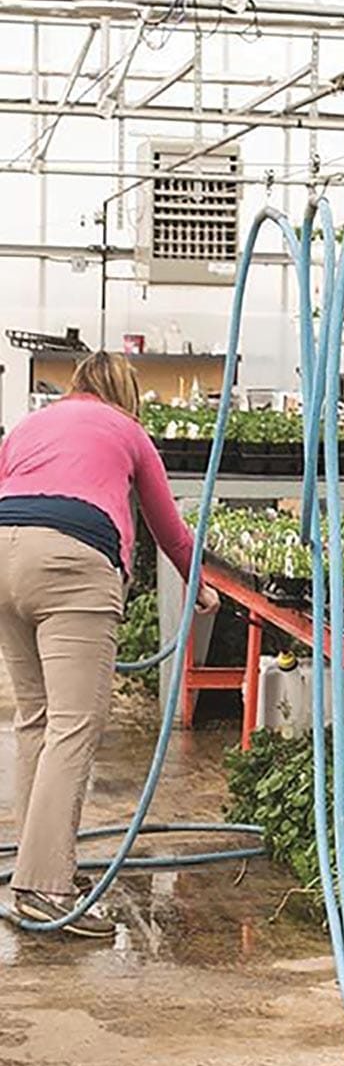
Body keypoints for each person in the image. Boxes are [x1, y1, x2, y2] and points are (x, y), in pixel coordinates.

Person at [0, 352, 219, 938]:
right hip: (74, 562)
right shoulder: (128, 430)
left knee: (37, 720)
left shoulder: (28, 424)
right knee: (74, 726)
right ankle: (45, 889)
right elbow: (166, 523)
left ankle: (34, 866)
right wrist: (199, 587)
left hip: (4, 554)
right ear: (126, 393)